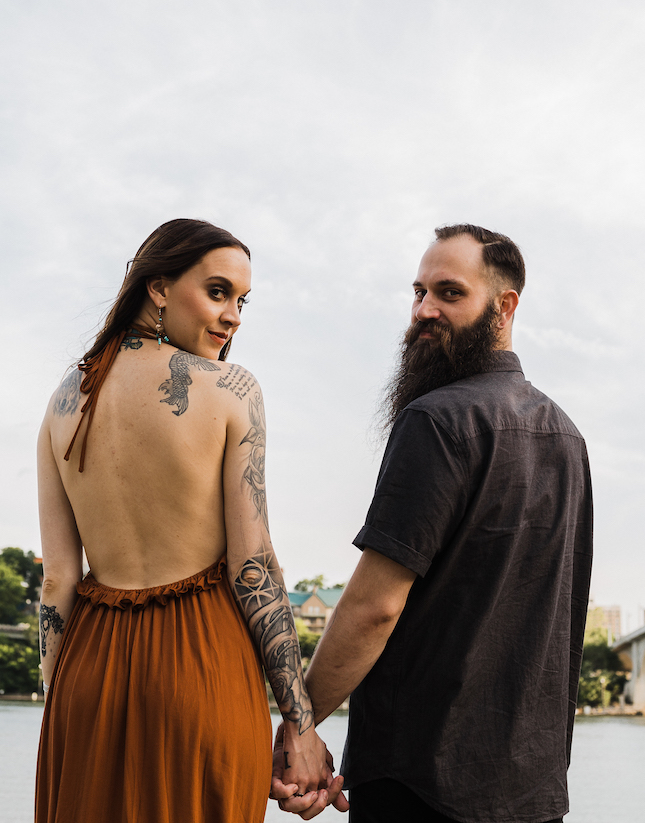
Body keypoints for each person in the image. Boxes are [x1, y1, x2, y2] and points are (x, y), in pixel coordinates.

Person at [34, 218, 344, 823]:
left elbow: (57, 580)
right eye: (218, 292)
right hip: (201, 664)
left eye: (241, 302)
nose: (233, 317)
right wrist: (299, 726)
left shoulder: (63, 402)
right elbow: (252, 563)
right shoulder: (231, 391)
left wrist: (60, 704)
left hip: (88, 673)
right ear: (159, 287)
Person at [286, 224, 594, 823]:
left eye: (449, 293)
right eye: (419, 291)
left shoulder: (436, 420)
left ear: (504, 307)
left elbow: (374, 606)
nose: (424, 310)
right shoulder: (568, 437)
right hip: (531, 791)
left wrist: (300, 724)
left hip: (421, 783)